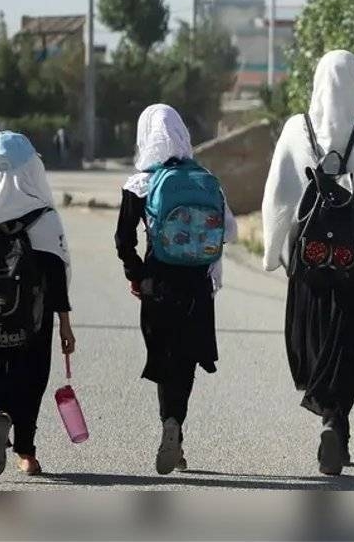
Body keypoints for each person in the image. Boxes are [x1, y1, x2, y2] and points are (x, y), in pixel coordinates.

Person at [261, 50, 354, 477]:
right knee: (348, 343)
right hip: (353, 262)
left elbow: (277, 195)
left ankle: (331, 421)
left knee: (316, 341)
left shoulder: (296, 128)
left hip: (309, 263)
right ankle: (338, 423)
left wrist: (274, 253)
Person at [115, 104, 237, 475]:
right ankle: (176, 427)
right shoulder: (204, 177)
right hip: (197, 285)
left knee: (165, 360)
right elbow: (229, 232)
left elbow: (123, 239)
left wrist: (135, 273)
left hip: (159, 285)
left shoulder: (140, 182)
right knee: (184, 364)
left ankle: (170, 426)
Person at [0, 131, 75, 477]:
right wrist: (65, 327)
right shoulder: (43, 218)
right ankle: (26, 453)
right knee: (30, 379)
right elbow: (56, 280)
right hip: (33, 320)